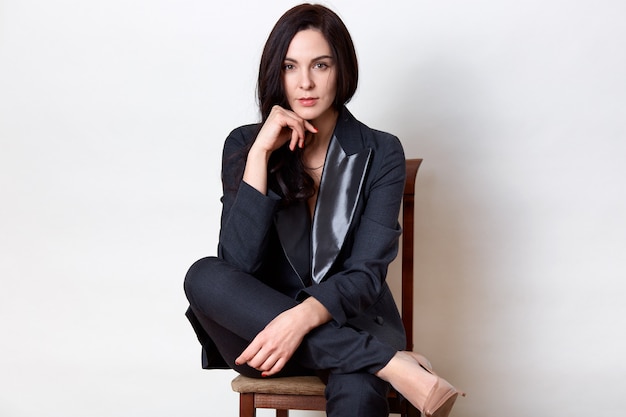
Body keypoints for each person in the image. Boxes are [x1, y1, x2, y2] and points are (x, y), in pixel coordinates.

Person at [184, 4, 462, 417]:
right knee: (203, 275)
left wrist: (301, 318)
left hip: (350, 322)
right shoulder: (245, 144)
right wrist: (261, 152)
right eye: (290, 67)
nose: (306, 82)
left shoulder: (381, 151)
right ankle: (387, 363)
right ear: (275, 74)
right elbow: (236, 265)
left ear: (341, 70)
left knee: (357, 386)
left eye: (321, 65)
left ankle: (366, 359)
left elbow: (366, 274)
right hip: (264, 339)